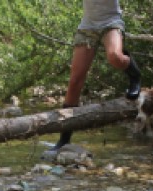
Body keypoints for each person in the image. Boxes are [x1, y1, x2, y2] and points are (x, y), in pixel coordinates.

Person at [48, 0, 142, 152]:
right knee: (75, 82)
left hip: (111, 23)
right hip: (88, 26)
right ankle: (64, 139)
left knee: (115, 56)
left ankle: (135, 76)